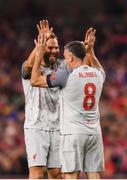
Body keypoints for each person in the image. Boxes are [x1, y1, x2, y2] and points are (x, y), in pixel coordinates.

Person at [30, 28, 105, 179]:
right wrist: (90, 49)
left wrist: (39, 54)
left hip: (73, 133)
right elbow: (97, 65)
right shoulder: (99, 74)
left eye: (65, 56)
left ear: (70, 58)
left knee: (71, 175)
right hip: (94, 133)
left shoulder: (66, 75)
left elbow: (34, 80)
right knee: (94, 175)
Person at [21, 20, 65, 179]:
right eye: (50, 47)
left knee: (57, 173)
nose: (54, 50)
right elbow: (28, 67)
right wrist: (39, 46)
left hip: (57, 127)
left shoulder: (62, 67)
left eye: (56, 47)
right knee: (37, 173)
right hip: (36, 127)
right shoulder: (31, 68)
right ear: (41, 48)